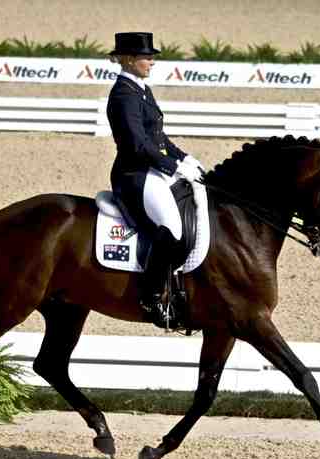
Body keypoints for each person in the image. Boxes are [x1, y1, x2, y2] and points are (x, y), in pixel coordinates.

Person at [106, 32, 205, 323]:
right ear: (128, 59)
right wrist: (173, 167)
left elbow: (158, 137)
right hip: (135, 174)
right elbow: (138, 144)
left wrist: (184, 158)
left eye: (151, 57)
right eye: (146, 57)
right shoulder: (124, 94)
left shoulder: (141, 89)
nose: (152, 62)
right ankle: (151, 297)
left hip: (153, 169)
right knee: (172, 227)